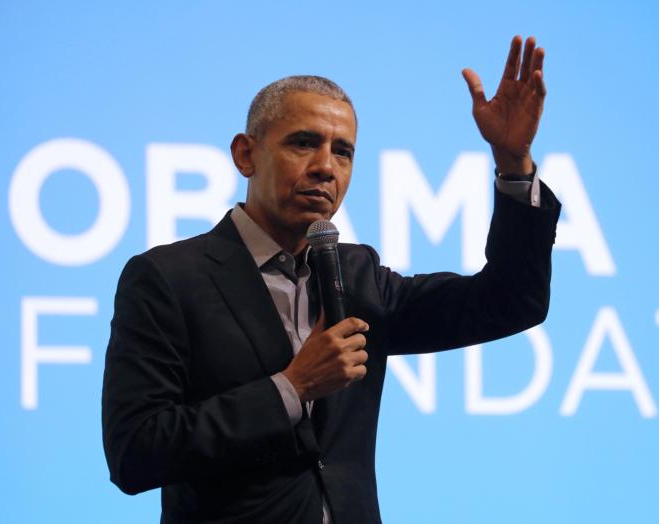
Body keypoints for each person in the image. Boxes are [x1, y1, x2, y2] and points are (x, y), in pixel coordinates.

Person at [102, 36, 561, 524]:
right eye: (303, 142)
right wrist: (290, 388)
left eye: (343, 152)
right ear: (245, 154)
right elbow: (136, 451)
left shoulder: (356, 277)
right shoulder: (168, 278)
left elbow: (511, 301)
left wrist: (514, 165)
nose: (325, 166)